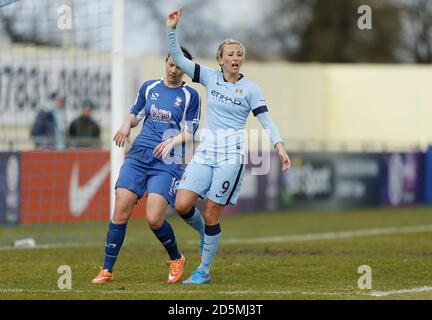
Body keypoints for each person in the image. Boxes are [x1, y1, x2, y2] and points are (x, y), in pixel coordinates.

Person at [166, 9, 291, 284]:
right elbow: (177, 58)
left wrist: (279, 145)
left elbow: (266, 119)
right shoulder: (209, 77)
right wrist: (172, 29)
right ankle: (202, 236)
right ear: (220, 59)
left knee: (211, 213)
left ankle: (203, 271)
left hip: (230, 157)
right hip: (206, 153)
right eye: (231, 54)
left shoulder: (251, 89)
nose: (236, 57)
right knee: (182, 204)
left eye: (239, 54)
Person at [91, 46, 205, 285]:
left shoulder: (190, 96)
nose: (174, 70)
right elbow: (136, 115)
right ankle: (106, 270)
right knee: (120, 210)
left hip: (167, 161)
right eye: (171, 64)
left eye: (179, 67)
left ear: (186, 70)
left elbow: (190, 132)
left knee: (154, 219)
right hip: (139, 155)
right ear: (165, 63)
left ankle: (176, 258)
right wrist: (125, 125)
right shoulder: (149, 87)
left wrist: (171, 141)